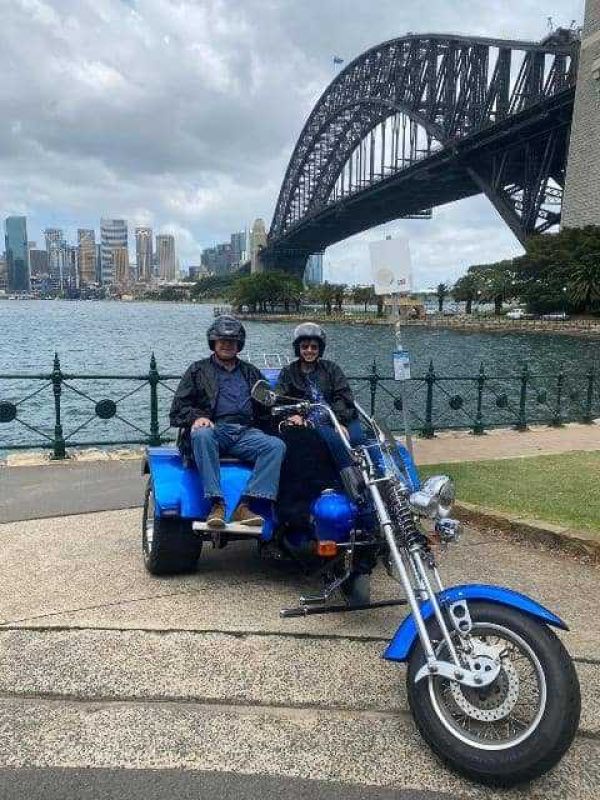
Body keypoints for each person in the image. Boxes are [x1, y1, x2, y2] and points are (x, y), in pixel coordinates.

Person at [169, 315, 286, 530]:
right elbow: (178, 409)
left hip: (245, 432)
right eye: (221, 340)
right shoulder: (197, 370)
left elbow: (269, 404)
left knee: (275, 446)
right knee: (202, 434)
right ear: (213, 342)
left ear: (238, 345)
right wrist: (198, 417)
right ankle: (216, 504)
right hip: (214, 430)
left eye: (232, 341)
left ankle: (246, 504)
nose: (226, 345)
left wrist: (289, 415)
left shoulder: (251, 372)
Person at [274, 322, 365, 469]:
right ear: (298, 348)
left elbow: (342, 395)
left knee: (358, 439)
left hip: (339, 415)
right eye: (304, 347)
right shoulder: (288, 372)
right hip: (311, 419)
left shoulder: (332, 369)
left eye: (314, 347)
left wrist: (339, 422)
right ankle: (352, 480)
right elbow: (280, 398)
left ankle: (380, 477)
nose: (309, 351)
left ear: (320, 349)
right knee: (335, 441)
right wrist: (291, 415)